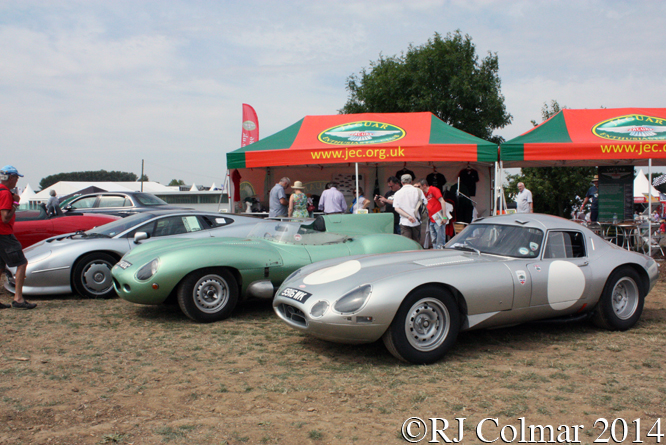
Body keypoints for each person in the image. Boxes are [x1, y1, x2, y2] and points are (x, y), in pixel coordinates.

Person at [0, 165, 35, 309]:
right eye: (16, 178)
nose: (16, 181)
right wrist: (15, 202)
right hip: (4, 234)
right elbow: (5, 218)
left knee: (0, 267)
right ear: (11, 178)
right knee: (21, 263)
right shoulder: (6, 194)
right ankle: (18, 299)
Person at [392, 174, 427, 242]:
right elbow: (425, 203)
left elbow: (396, 208)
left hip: (404, 221)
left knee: (407, 244)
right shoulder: (418, 191)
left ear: (401, 182)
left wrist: (408, 216)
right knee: (416, 243)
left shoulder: (398, 193)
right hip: (417, 220)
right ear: (411, 182)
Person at [418, 179, 448, 249]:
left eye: (420, 186)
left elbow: (442, 202)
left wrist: (444, 217)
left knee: (440, 239)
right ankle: (435, 251)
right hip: (431, 217)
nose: (419, 188)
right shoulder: (424, 194)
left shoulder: (433, 189)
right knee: (433, 239)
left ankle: (440, 253)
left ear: (424, 185)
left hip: (438, 216)